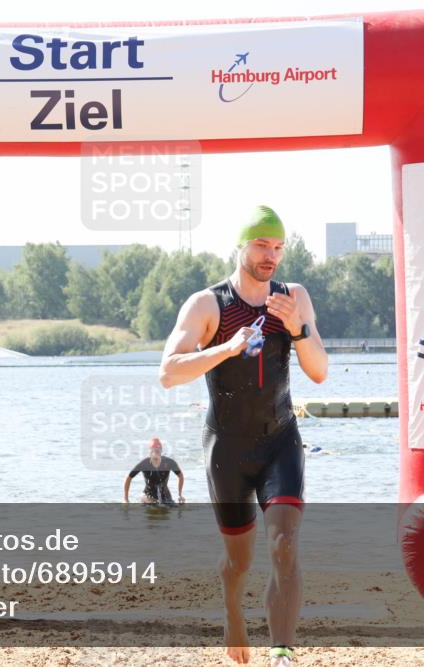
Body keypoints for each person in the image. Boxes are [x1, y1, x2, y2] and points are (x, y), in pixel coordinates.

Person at [158, 206, 328, 667]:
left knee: (285, 544)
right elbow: (168, 373)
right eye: (261, 245)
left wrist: (298, 329)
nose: (271, 256)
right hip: (227, 450)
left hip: (280, 441)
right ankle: (232, 611)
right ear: (240, 246)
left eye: (278, 248)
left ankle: (281, 651)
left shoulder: (293, 297)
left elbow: (319, 371)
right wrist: (226, 348)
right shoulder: (207, 305)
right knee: (239, 562)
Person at [123, 438, 185, 505]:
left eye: (157, 451)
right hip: (148, 496)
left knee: (175, 508)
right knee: (149, 505)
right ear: (150, 452)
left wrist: (180, 494)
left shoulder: (169, 462)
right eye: (153, 450)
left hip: (165, 495)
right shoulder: (144, 464)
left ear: (161, 451)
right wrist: (126, 499)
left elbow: (180, 476)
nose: (155, 453)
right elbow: (129, 478)